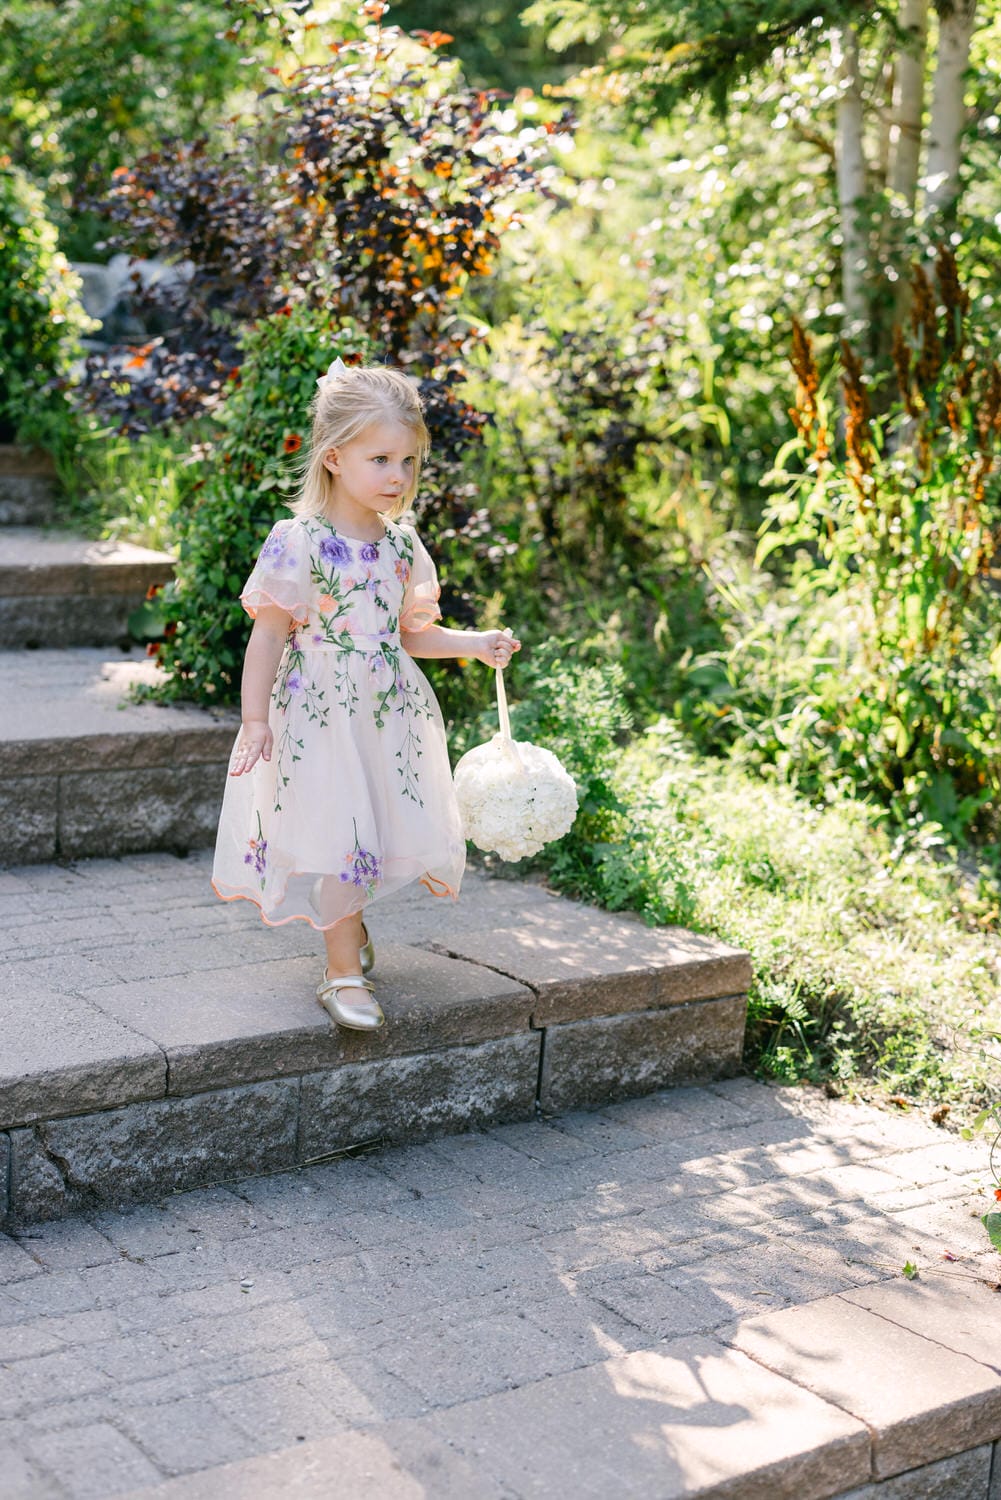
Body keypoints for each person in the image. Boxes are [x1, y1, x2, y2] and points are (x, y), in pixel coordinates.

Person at [212, 357, 519, 1032]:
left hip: (386, 715)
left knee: (371, 832)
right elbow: (266, 638)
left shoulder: (402, 547)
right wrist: (254, 719)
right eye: (380, 459)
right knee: (341, 832)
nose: (397, 477)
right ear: (332, 458)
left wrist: (473, 643)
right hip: (318, 713)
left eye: (408, 462)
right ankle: (341, 972)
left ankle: (346, 927)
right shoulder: (301, 542)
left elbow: (410, 634)